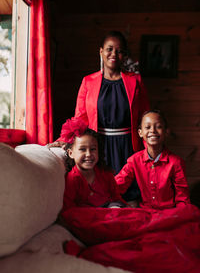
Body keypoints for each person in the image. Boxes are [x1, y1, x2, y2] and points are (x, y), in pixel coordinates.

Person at [57, 30, 149, 203]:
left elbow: (145, 118)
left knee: (130, 200)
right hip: (100, 147)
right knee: (102, 200)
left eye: (119, 50)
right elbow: (79, 119)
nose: (114, 54)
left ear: (124, 55)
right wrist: (64, 139)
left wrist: (148, 151)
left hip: (128, 148)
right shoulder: (88, 82)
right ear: (101, 52)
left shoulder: (136, 81)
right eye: (109, 49)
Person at [115, 109, 191, 209]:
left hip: (170, 213)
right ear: (140, 132)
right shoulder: (134, 160)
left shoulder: (176, 163)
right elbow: (116, 187)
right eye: (147, 127)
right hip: (146, 213)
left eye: (158, 127)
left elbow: (182, 199)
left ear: (166, 131)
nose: (153, 131)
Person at [60, 117, 127, 210]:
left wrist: (119, 208)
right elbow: (69, 208)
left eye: (93, 149)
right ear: (71, 153)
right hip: (87, 217)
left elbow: (117, 198)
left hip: (110, 212)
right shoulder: (72, 180)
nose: (88, 154)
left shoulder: (106, 174)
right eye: (82, 149)